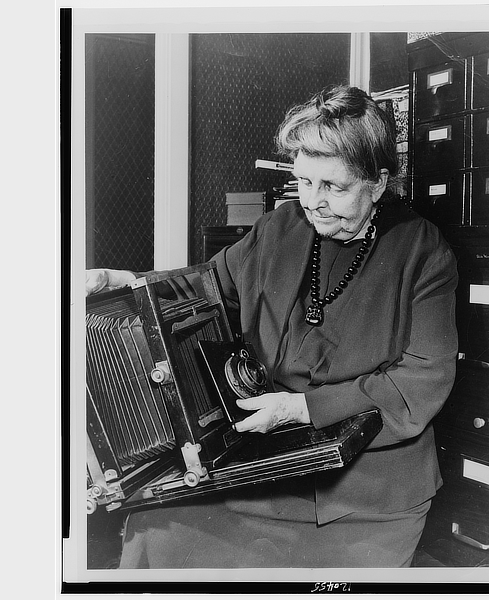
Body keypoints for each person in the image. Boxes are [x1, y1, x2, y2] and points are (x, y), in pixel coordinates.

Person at [86, 85, 458, 569]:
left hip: (367, 494)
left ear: (378, 181)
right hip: (266, 468)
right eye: (304, 181)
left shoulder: (423, 253)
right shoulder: (280, 227)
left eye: (334, 186)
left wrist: (300, 408)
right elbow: (205, 286)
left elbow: (422, 381)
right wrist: (124, 282)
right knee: (154, 529)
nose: (314, 202)